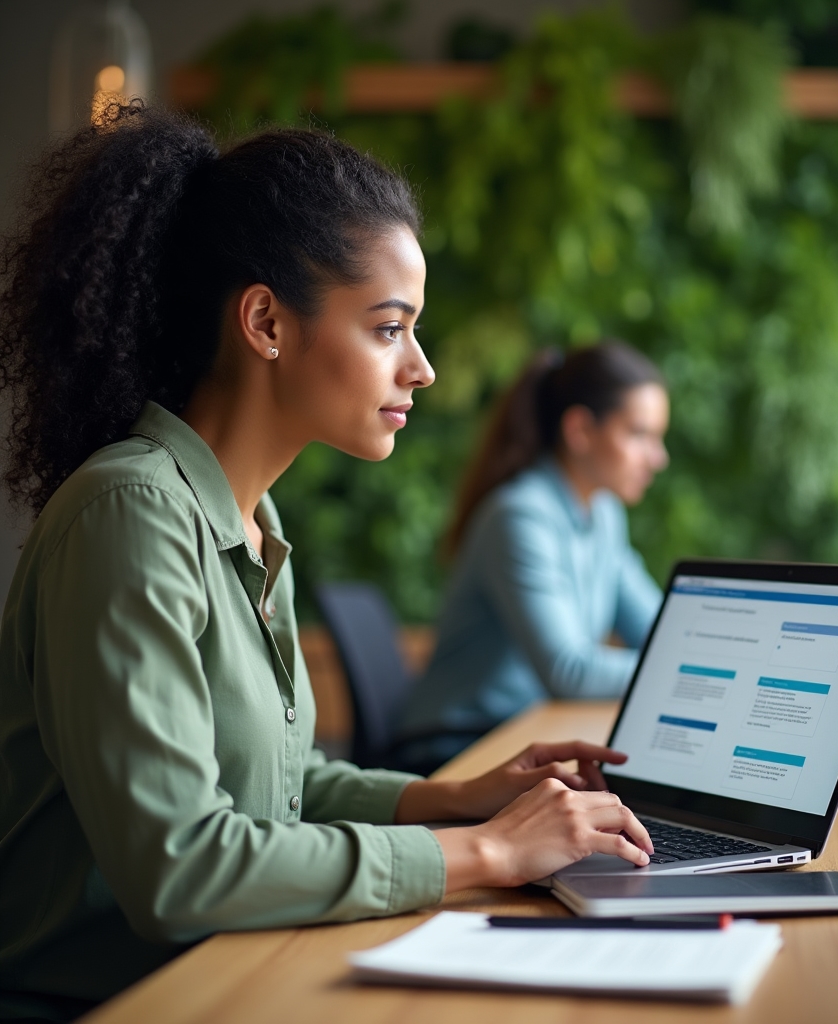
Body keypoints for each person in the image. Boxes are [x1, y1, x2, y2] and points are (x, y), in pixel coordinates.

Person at [0, 104, 654, 1022]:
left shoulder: (252, 521)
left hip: (221, 979)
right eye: (390, 328)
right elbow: (183, 866)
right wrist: (490, 853)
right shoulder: (131, 517)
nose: (420, 367)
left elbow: (276, 786)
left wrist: (462, 798)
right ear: (266, 321)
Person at [396, 343, 670, 775]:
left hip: (524, 735)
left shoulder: (603, 514)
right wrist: (683, 676)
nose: (659, 458)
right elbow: (569, 671)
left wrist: (687, 661)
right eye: (639, 435)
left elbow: (660, 632)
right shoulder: (520, 516)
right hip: (456, 749)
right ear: (580, 430)